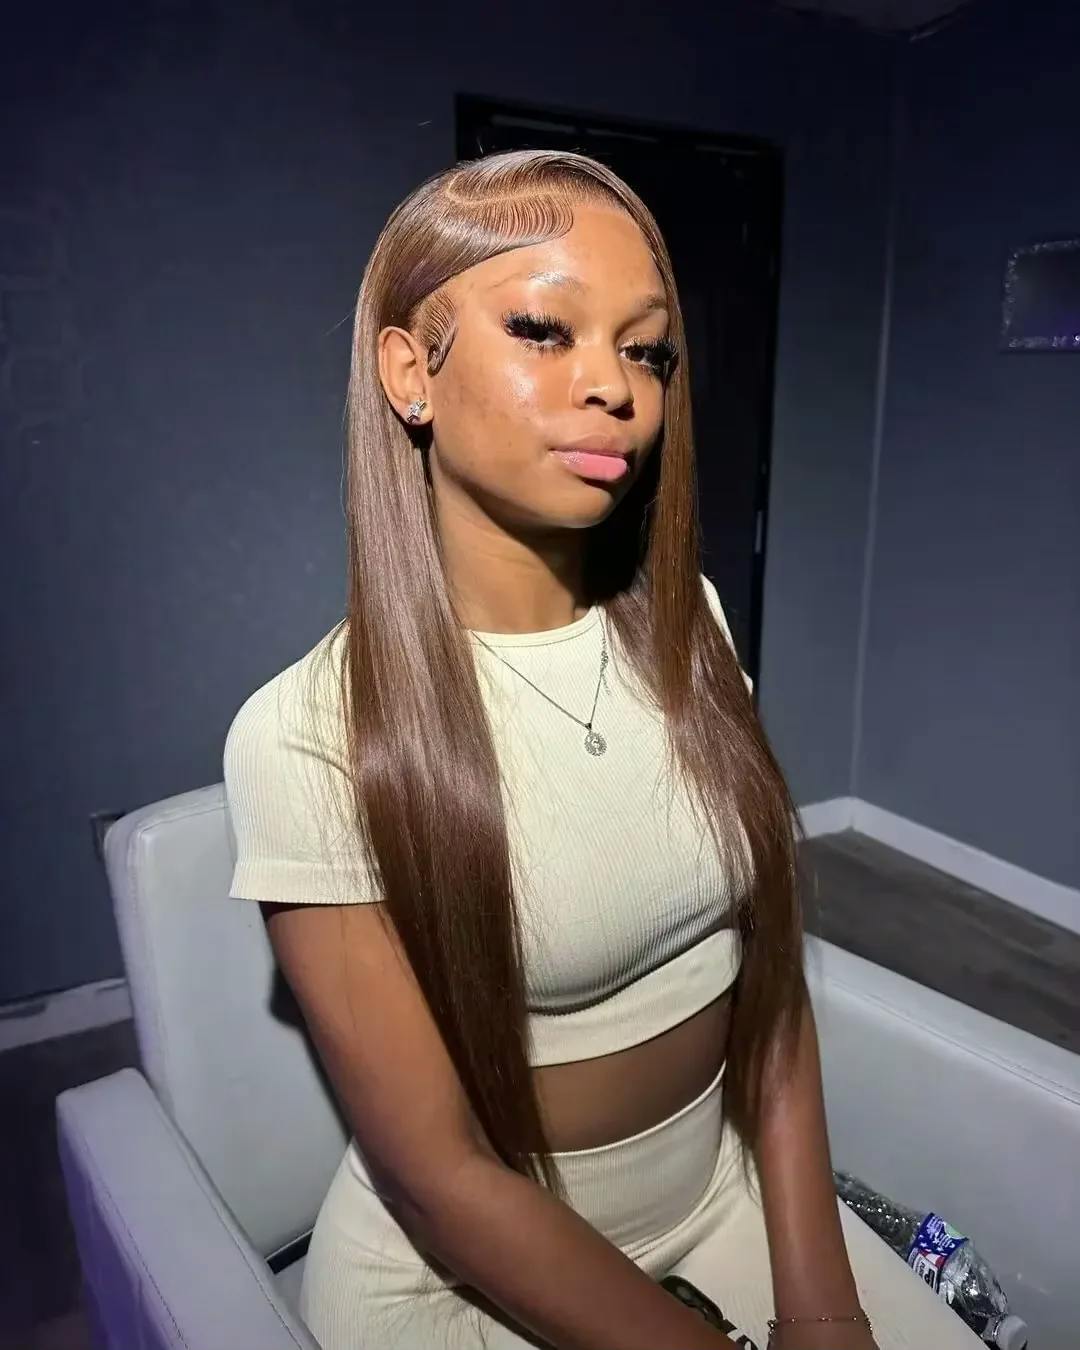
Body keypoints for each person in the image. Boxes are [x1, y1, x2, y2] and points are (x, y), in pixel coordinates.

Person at [223, 149, 982, 1350]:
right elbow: (441, 1177)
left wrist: (821, 1302)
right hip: (463, 1280)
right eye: (543, 329)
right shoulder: (307, 735)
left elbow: (770, 995)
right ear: (410, 371)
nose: (613, 387)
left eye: (648, 351)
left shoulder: (698, 631)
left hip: (719, 1200)